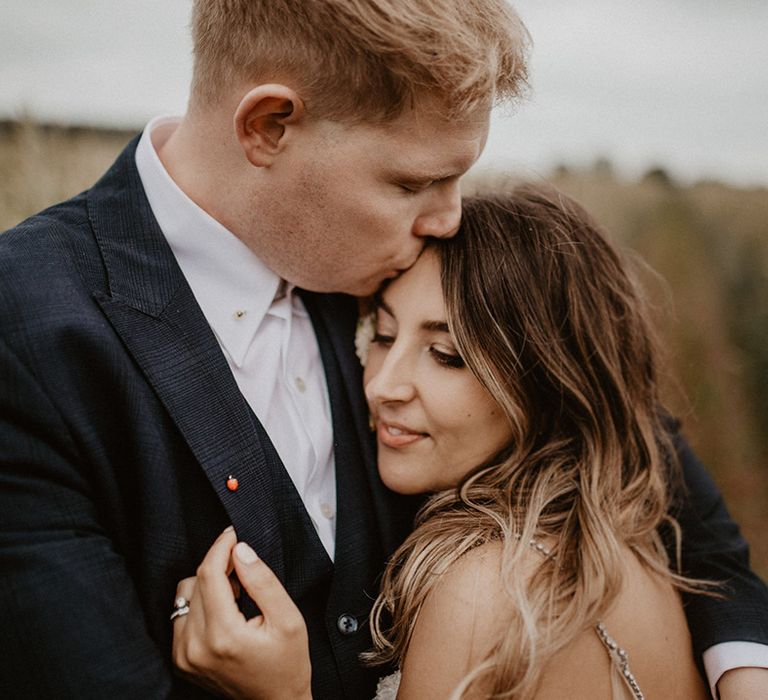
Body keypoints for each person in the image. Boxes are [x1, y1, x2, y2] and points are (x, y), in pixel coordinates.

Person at [0, 0, 765, 697]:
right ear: (268, 126)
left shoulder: (392, 265)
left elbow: (635, 453)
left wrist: (746, 672)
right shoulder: (28, 329)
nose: (447, 220)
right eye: (410, 184)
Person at [171, 186, 768, 699]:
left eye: (446, 355)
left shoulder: (485, 594)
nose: (380, 386)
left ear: (549, 383)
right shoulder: (633, 546)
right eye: (381, 334)